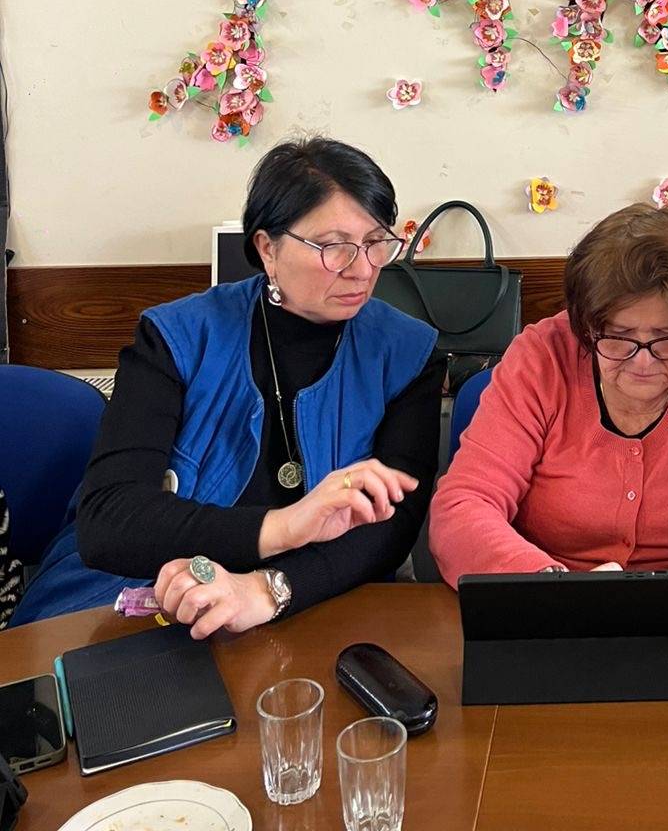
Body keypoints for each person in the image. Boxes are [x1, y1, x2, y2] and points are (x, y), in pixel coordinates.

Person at [10, 137, 441, 633]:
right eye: (334, 247)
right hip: (139, 596)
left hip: (317, 600)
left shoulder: (407, 352)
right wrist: (281, 528)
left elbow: (393, 524)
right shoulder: (176, 337)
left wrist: (268, 589)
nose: (363, 269)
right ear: (267, 248)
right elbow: (110, 520)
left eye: (376, 242)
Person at [430, 203, 668, 667]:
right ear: (586, 327)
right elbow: (463, 507)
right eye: (619, 337)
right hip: (543, 625)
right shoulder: (543, 356)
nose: (643, 362)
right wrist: (554, 588)